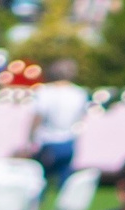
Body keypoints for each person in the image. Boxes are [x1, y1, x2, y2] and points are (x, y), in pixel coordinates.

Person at [30, 59, 91, 193]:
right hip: (68, 141)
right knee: (64, 185)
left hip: (48, 141)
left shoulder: (45, 91)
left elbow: (38, 116)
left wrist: (31, 137)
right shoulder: (79, 93)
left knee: (39, 182)